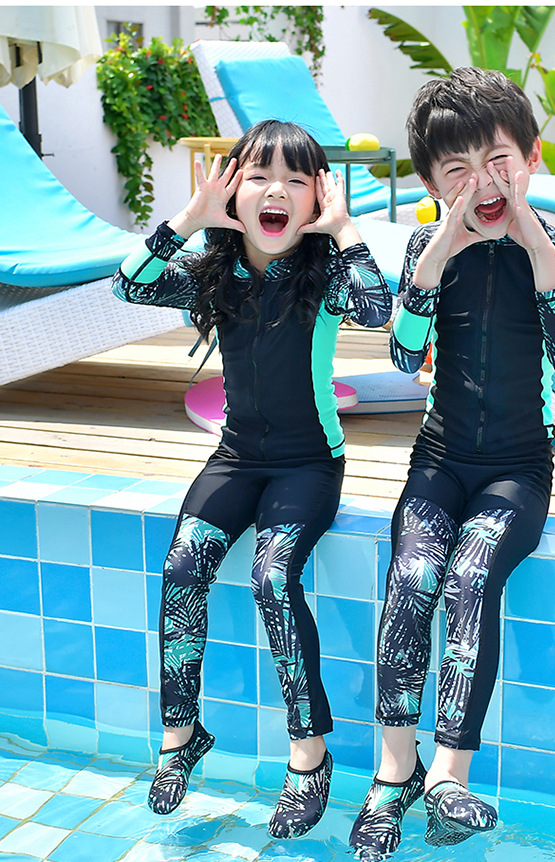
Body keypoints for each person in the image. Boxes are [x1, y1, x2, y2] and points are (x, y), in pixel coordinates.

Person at [112, 119, 391, 835]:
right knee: (182, 567)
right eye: (259, 176)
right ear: (233, 191)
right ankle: (181, 735)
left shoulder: (325, 278)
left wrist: (345, 229)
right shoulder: (214, 275)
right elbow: (128, 285)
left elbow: (378, 308)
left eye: (297, 180)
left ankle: (309, 753)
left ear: (317, 197)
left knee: (272, 578)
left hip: (308, 464)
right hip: (235, 459)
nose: (276, 192)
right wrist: (188, 219)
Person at [349, 68, 555, 858]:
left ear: (532, 157)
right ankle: (395, 771)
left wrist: (534, 243)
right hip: (441, 461)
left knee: (470, 574)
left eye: (499, 162)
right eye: (457, 170)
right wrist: (436, 256)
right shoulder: (430, 248)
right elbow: (403, 355)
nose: (484, 184)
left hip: (518, 469)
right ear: (431, 185)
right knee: (413, 576)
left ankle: (449, 775)